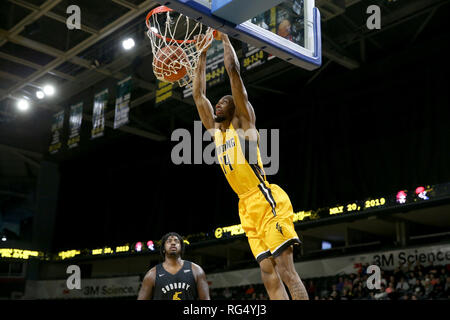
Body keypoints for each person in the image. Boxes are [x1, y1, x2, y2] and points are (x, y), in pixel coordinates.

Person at [192, 31, 308, 300]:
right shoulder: (216, 132)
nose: (218, 104)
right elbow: (198, 95)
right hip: (245, 206)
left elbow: (234, 74)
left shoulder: (244, 124)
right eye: (218, 102)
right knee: (268, 273)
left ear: (235, 108)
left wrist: (224, 41)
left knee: (286, 271)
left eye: (224, 102)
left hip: (265, 198)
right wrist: (202, 53)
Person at [137, 232, 210, 300]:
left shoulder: (196, 270)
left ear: (181, 248)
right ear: (163, 249)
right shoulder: (152, 274)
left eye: (176, 241)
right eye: (169, 241)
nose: (173, 243)